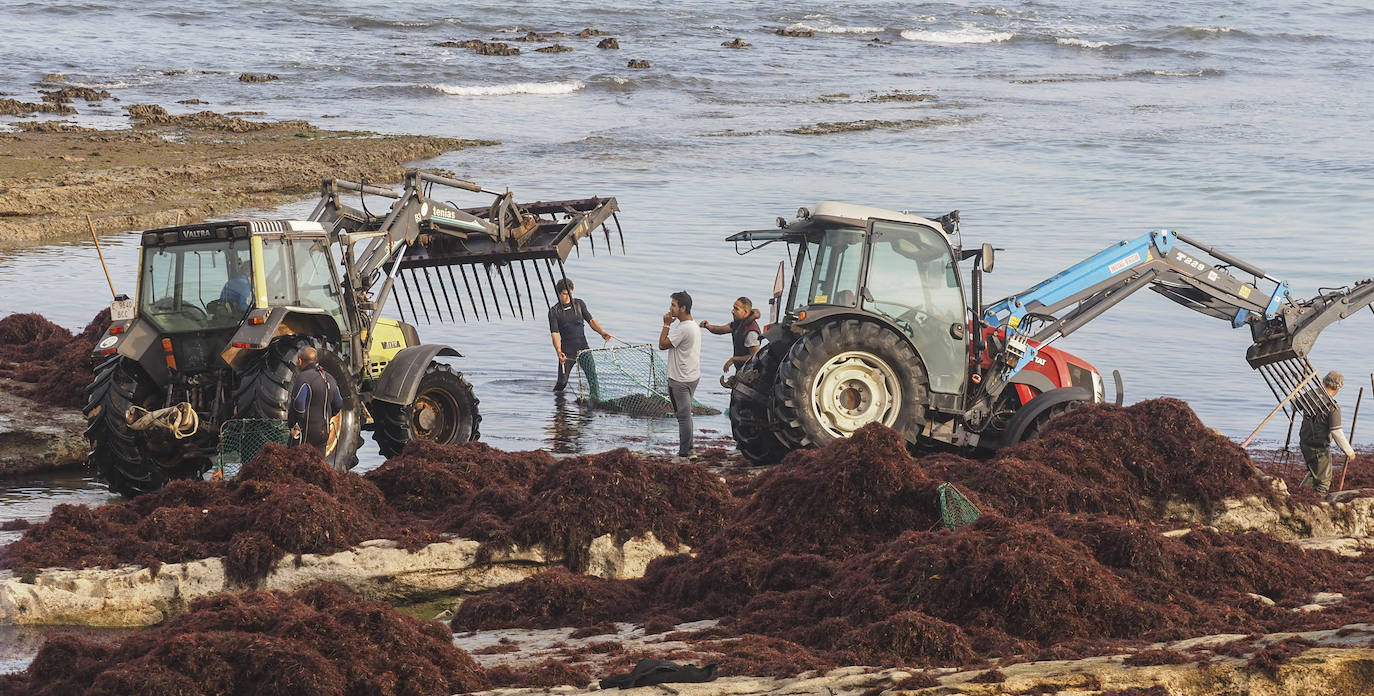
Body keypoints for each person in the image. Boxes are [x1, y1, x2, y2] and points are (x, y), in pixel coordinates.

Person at [548, 278, 613, 392]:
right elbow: (555, 334)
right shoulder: (554, 312)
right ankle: (558, 406)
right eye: (564, 294)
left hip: (583, 348)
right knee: (562, 383)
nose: (568, 297)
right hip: (567, 351)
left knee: (593, 379)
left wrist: (602, 332)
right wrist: (559, 351)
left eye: (570, 294)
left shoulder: (579, 304)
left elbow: (591, 321)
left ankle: (594, 403)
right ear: (558, 293)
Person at [658, 290, 701, 461]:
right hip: (692, 375)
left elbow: (662, 345)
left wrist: (666, 324)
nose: (670, 308)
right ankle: (689, 449)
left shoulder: (684, 328)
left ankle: (684, 453)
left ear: (683, 308)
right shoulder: (692, 325)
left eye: (674, 305)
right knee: (686, 414)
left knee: (683, 416)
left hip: (680, 379)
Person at [1299, 371, 1357, 496]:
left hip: (1304, 443)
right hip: (1318, 447)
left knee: (1315, 472)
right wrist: (1349, 451)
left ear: (1324, 381)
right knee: (1323, 483)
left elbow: (1294, 406)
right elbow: (1337, 432)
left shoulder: (1310, 395)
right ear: (1338, 387)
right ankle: (1313, 504)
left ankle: (1299, 495)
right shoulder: (1332, 407)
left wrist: (1300, 390)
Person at [288, 346, 344, 452]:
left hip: (306, 432)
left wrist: (297, 426)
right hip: (324, 431)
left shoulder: (303, 378)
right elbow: (338, 403)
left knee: (297, 465)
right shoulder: (329, 378)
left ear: (300, 361)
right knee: (318, 465)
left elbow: (299, 405)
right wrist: (328, 416)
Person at [700, 297, 762, 388]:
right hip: (742, 371)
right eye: (733, 308)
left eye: (736, 309)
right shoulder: (738, 324)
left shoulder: (751, 332)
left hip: (751, 377)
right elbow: (720, 330)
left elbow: (754, 357)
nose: (732, 311)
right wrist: (708, 326)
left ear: (746, 312)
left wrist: (733, 359)